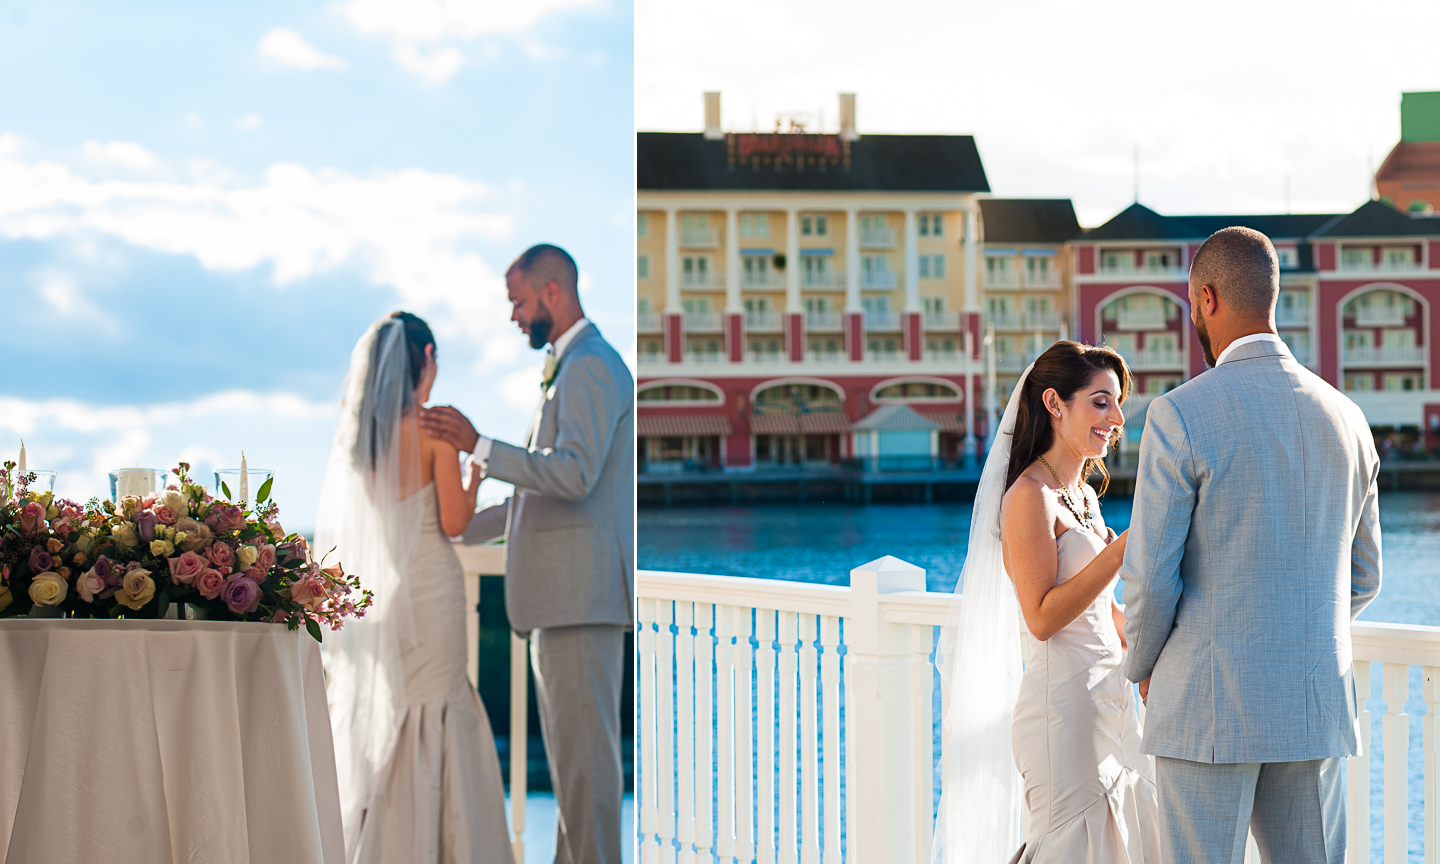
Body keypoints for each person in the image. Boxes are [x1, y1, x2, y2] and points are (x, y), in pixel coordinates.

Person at [1121, 226, 1382, 863]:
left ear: (1205, 299)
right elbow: (1364, 575)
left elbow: (1152, 579)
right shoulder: (1348, 418)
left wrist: (1141, 668)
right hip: (1314, 699)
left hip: (1206, 703)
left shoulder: (1180, 413)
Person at [420, 244, 635, 864]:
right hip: (562, 600)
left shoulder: (592, 364)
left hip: (578, 600)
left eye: (517, 301)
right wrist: (462, 529)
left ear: (551, 293)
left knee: (588, 778)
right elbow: (534, 500)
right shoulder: (569, 367)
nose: (514, 315)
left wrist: (477, 443)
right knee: (574, 779)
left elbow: (573, 475)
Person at [935, 340, 1160, 864]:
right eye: (1101, 402)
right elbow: (1040, 617)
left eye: (1119, 403)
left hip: (1112, 697)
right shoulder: (1028, 497)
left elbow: (1101, 610)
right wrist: (1120, 551)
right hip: (1064, 709)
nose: (1118, 417)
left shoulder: (1081, 494)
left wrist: (1144, 656)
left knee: (1131, 836)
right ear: (1055, 404)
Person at [315, 312, 511, 864]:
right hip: (433, 588)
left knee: (400, 719)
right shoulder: (434, 430)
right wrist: (474, 481)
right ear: (425, 359)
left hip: (393, 593)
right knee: (443, 711)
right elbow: (454, 522)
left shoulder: (363, 445)